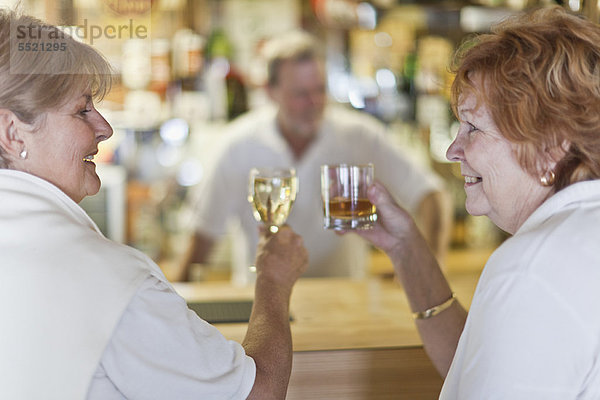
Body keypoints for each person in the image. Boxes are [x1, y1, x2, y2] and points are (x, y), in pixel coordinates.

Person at [0, 9, 307, 399]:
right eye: (82, 110)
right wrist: (274, 282)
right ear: (11, 132)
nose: (105, 128)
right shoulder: (106, 278)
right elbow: (256, 394)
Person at [354, 5, 600, 398]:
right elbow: (488, 367)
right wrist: (405, 248)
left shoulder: (531, 268)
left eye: (473, 127)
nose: (454, 150)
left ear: (551, 147)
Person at [179, 30, 451, 284]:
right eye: (300, 94)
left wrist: (431, 268)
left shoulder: (359, 136)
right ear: (270, 91)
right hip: (261, 307)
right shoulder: (236, 146)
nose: (314, 103)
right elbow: (202, 236)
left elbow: (431, 195)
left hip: (344, 302)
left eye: (320, 90)